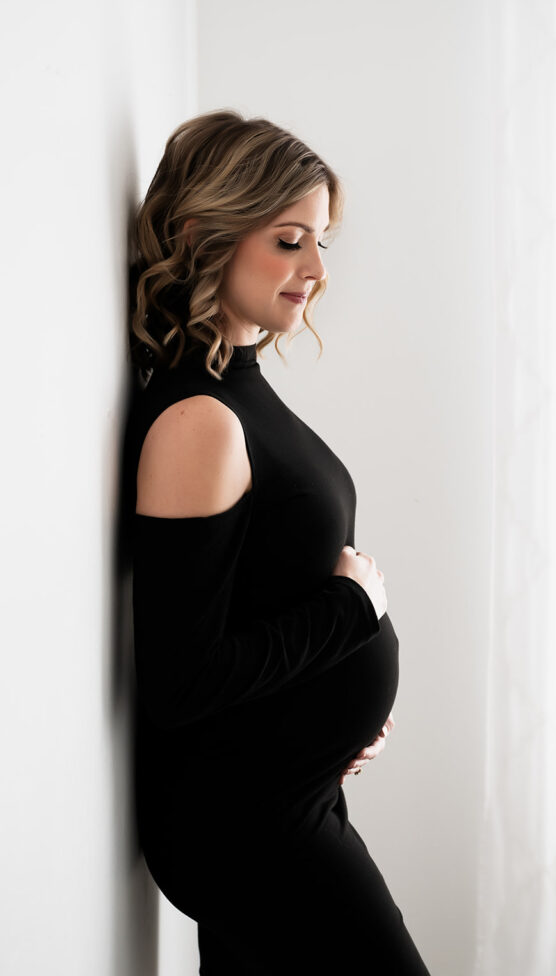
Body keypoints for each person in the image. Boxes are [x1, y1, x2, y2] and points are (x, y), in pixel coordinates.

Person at [125, 109, 431, 974]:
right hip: (246, 829)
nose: (317, 271)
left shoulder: (237, 394)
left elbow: (256, 608)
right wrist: (352, 611)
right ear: (202, 236)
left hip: (286, 802)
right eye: (290, 240)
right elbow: (184, 682)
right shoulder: (199, 421)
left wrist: (332, 726)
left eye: (323, 242)